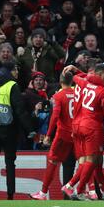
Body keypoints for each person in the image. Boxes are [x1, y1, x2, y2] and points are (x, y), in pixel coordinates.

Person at [61, 62, 104, 200]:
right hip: (91, 126)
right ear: (100, 74)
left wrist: (74, 70)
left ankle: (94, 191)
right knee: (93, 160)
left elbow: (78, 77)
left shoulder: (82, 83)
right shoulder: (103, 91)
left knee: (86, 161)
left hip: (77, 125)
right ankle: (74, 187)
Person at [0, 62, 34, 200]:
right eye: (16, 70)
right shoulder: (12, 86)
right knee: (10, 164)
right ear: (10, 71)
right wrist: (30, 129)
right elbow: (20, 110)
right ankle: (10, 196)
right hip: (9, 131)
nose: (17, 73)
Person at [29, 72, 75, 200]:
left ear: (60, 80)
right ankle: (83, 190)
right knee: (81, 162)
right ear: (71, 81)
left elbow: (54, 116)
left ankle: (43, 193)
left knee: (52, 161)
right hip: (76, 134)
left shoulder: (58, 96)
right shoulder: (79, 95)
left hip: (63, 135)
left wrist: (48, 135)